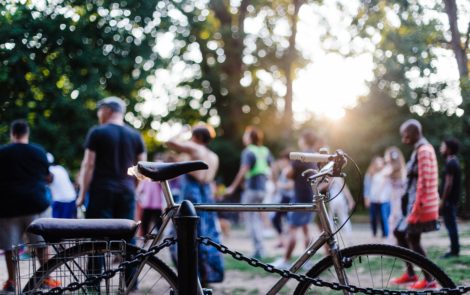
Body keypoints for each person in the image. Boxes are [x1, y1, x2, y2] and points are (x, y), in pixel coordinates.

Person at [0, 120, 58, 292]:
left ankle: (12, 282)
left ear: (12, 133)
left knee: (10, 247)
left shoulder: (2, 152)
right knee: (41, 245)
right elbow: (48, 177)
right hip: (35, 204)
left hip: (8, 206)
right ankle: (46, 279)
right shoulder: (38, 152)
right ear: (27, 133)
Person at [166, 123, 224, 285]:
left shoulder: (195, 148)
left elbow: (169, 142)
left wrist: (181, 131)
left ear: (196, 137)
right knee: (207, 235)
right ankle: (207, 276)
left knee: (183, 236)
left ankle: (191, 277)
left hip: (192, 195)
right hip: (207, 196)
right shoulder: (213, 156)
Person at [76, 96, 146, 220]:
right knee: (125, 234)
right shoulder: (136, 135)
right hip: (127, 191)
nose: (98, 114)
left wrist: (81, 196)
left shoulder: (97, 132)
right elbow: (143, 167)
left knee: (100, 234)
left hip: (102, 191)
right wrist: (135, 189)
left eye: (99, 110)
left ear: (107, 110)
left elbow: (88, 165)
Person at [391, 119, 440, 290]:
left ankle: (429, 279)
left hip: (419, 205)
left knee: (411, 237)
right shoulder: (419, 149)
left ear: (412, 132)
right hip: (414, 204)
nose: (403, 138)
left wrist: (417, 208)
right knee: (401, 233)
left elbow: (425, 181)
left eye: (404, 134)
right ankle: (412, 274)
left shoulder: (424, 150)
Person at [272, 131, 319, 268]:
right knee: (305, 230)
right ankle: (307, 260)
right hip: (311, 197)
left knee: (292, 229)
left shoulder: (301, 157)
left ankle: (285, 260)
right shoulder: (315, 157)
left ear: (303, 140)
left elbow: (288, 174)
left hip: (300, 198)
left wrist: (288, 170)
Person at [225, 126, 273, 259]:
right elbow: (271, 168)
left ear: (250, 137)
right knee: (256, 219)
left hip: (252, 189)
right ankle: (260, 248)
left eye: (246, 135)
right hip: (262, 189)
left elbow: (243, 170)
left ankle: (258, 250)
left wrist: (233, 187)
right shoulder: (265, 150)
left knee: (251, 220)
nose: (243, 137)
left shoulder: (248, 151)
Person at [439, 138, 461, 258]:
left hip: (449, 200)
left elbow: (448, 184)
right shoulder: (454, 161)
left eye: (443, 146)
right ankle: (454, 249)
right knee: (451, 224)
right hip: (452, 200)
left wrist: (443, 200)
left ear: (449, 149)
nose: (441, 149)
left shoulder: (450, 163)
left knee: (451, 225)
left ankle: (454, 251)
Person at [270, 151, 294, 248]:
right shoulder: (286, 170)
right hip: (285, 198)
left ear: (286, 160)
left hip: (287, 198)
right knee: (280, 220)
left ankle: (284, 241)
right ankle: (283, 241)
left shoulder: (289, 170)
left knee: (278, 219)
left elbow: (291, 185)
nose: (281, 162)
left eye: (282, 160)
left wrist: (279, 185)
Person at [383, 147, 406, 244]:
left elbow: (384, 175)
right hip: (396, 194)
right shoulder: (398, 168)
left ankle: (395, 238)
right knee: (396, 215)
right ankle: (396, 237)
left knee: (395, 216)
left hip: (397, 195)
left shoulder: (392, 169)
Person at [364, 156, 391, 238]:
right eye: (377, 162)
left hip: (384, 200)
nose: (378, 164)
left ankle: (385, 234)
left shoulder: (386, 172)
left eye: (380, 162)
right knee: (373, 218)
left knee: (384, 217)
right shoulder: (370, 174)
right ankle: (374, 233)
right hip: (373, 199)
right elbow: (367, 187)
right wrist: (366, 198)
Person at [47, 153, 77, 219]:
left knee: (57, 226)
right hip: (71, 198)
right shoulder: (60, 168)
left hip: (61, 201)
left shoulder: (50, 171)